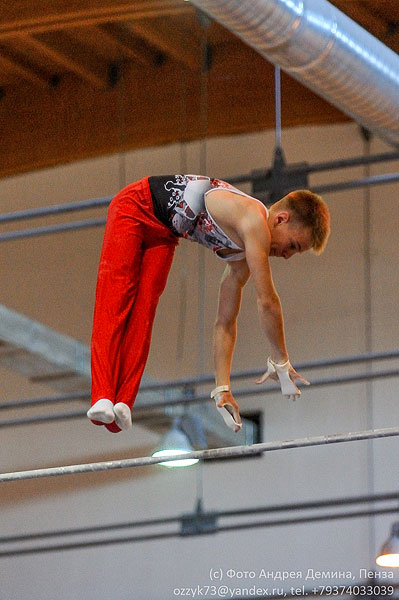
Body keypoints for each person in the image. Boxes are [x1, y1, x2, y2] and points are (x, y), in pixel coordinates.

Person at [87, 174, 330, 433]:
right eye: (293, 245)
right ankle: (101, 394)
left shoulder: (243, 256)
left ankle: (123, 400)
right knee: (116, 300)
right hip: (135, 206)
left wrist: (222, 388)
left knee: (144, 314)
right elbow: (267, 301)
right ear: (281, 218)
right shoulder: (253, 220)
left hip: (165, 234)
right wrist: (280, 359)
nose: (287, 256)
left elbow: (225, 322)